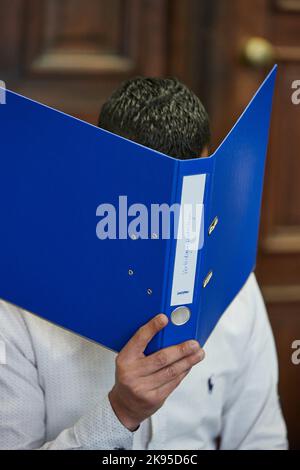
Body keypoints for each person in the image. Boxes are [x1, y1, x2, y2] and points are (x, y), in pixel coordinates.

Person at [0, 78, 287, 450]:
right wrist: (120, 413)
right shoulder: (20, 302)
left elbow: (263, 439)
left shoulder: (234, 287)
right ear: (100, 175)